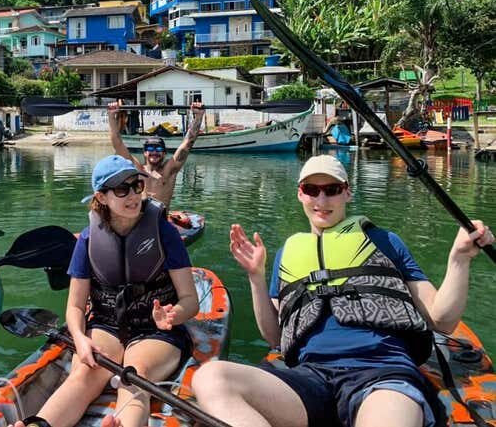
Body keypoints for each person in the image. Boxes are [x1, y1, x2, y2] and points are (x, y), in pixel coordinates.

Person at [191, 154, 494, 427]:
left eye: (332, 190)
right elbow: (275, 337)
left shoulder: (386, 242)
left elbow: (442, 320)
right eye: (312, 190)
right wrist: (256, 277)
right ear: (300, 194)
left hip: (381, 373)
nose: (321, 199)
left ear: (347, 192)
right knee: (211, 378)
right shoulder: (287, 253)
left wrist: (459, 260)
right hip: (309, 379)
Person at [11, 155, 199, 427]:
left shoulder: (164, 233)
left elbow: (190, 301)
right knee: (85, 373)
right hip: (107, 325)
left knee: (136, 373)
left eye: (136, 185)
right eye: (122, 189)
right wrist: (79, 337)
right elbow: (76, 307)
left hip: (155, 330)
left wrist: (173, 315)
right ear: (101, 196)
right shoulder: (88, 239)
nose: (133, 195)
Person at [107, 100, 205, 208]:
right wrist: (111, 115)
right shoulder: (137, 171)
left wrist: (199, 116)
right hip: (140, 219)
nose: (154, 152)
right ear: (145, 153)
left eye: (158, 149)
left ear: (164, 153)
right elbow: (117, 143)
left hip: (161, 221)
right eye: (150, 148)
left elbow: (188, 143)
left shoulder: (169, 171)